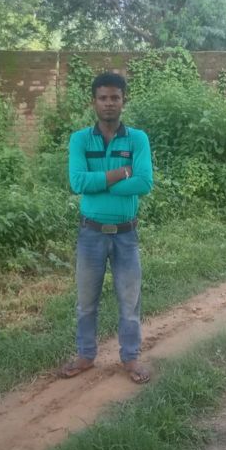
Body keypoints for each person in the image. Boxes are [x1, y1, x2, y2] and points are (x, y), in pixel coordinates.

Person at [59, 72, 153, 384]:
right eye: (103, 98)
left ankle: (131, 358)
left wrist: (99, 184)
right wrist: (120, 174)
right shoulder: (80, 140)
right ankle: (86, 355)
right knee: (86, 302)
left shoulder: (137, 139)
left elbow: (144, 182)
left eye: (115, 97)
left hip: (126, 234)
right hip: (91, 234)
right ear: (93, 102)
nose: (109, 103)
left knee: (130, 302)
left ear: (124, 100)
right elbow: (77, 182)